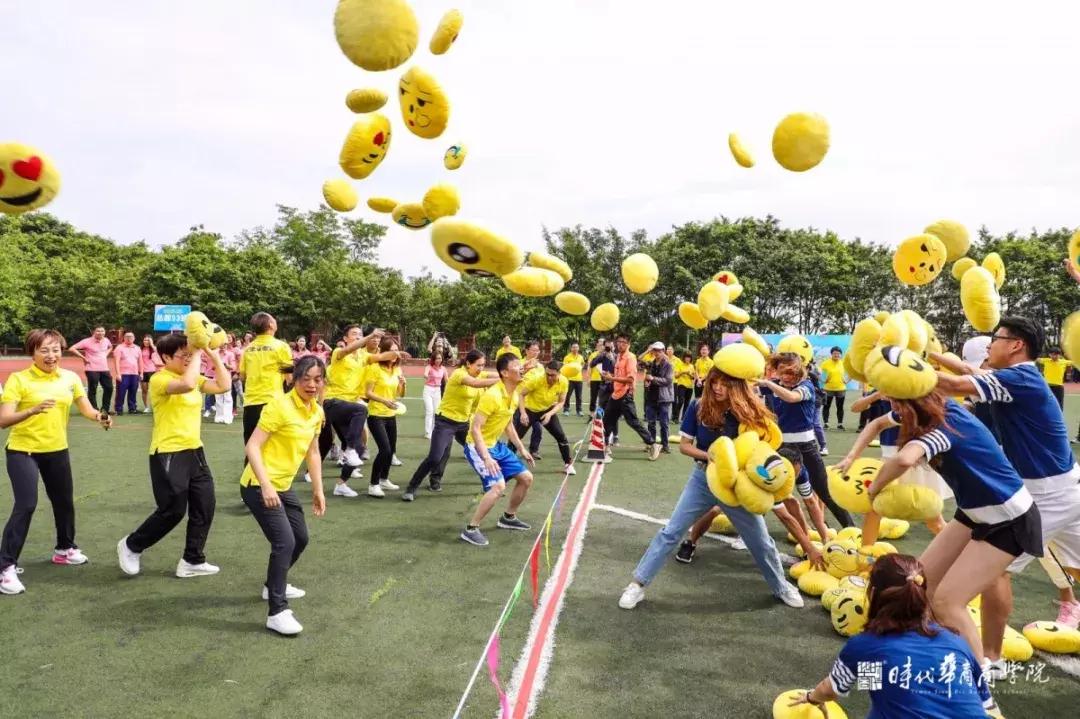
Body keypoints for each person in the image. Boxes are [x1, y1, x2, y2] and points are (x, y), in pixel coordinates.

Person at [931, 316, 1080, 661]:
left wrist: (898, 365)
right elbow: (966, 369)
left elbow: (954, 383)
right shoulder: (1019, 376)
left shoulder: (1020, 378)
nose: (989, 345)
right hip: (1065, 484)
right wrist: (930, 350)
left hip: (1046, 494)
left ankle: (992, 658)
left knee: (996, 569)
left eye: (995, 339)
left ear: (1016, 345)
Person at [866, 383, 1041, 665]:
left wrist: (873, 490)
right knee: (922, 583)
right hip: (974, 511)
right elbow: (876, 423)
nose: (894, 409)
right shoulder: (935, 410)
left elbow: (903, 459)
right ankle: (942, 654)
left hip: (1009, 519)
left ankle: (980, 686)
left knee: (947, 601)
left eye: (897, 403)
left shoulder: (942, 427)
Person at [618, 366, 804, 609]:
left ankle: (781, 586)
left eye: (725, 384)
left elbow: (763, 447)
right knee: (671, 532)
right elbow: (685, 445)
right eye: (714, 382)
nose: (717, 387)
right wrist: (711, 457)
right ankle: (638, 584)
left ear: (736, 386)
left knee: (760, 540)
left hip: (738, 485)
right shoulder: (698, 406)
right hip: (703, 479)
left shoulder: (749, 411)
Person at [791, 554, 995, 719]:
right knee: (881, 690)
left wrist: (811, 698)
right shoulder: (955, 642)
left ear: (873, 594)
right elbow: (984, 703)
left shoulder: (864, 646)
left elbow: (829, 690)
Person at [0, 329, 113, 596]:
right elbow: (4, 420)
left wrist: (101, 417)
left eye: (56, 350)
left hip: (57, 449)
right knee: (26, 504)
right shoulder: (19, 379)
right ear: (33, 352)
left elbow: (86, 408)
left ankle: (64, 549)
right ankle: (5, 567)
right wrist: (32, 410)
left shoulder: (71, 377)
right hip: (23, 450)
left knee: (64, 501)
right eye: (44, 350)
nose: (51, 356)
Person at [117, 335, 232, 580]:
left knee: (205, 505)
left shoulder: (194, 377)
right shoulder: (160, 379)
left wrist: (211, 353)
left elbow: (224, 385)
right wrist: (198, 353)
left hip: (195, 451)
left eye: (190, 355)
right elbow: (188, 386)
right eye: (184, 355)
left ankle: (192, 559)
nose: (190, 359)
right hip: (168, 453)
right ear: (167, 357)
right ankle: (132, 545)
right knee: (172, 511)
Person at [241, 356, 327, 636]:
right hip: (258, 484)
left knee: (300, 539)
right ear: (294, 379)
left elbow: (312, 452)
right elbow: (252, 447)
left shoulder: (316, 411)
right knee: (285, 542)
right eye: (306, 379)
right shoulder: (278, 406)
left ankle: (272, 584)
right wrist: (265, 485)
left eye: (318, 379)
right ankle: (277, 611)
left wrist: (318, 489)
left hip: (284, 485)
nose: (312, 385)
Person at [677, 446, 832, 568]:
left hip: (762, 494)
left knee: (793, 503)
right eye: (788, 475)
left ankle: (805, 547)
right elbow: (784, 516)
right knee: (715, 509)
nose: (791, 479)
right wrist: (811, 548)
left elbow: (811, 503)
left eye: (795, 475)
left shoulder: (800, 473)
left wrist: (822, 538)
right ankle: (691, 542)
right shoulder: (766, 474)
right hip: (742, 485)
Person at [839, 391, 949, 546]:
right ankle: (865, 555)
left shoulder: (923, 411)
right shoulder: (899, 410)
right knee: (873, 511)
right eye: (890, 399)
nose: (892, 404)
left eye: (894, 400)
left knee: (934, 520)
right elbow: (875, 422)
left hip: (916, 465)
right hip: (894, 459)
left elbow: (905, 459)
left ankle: (959, 556)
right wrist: (851, 456)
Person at [757, 353, 854, 527]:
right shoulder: (777, 384)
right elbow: (751, 389)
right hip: (780, 446)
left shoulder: (806, 386)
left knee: (824, 491)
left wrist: (769, 383)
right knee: (768, 486)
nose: (785, 376)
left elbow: (792, 397)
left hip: (805, 448)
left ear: (798, 370)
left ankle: (851, 529)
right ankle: (757, 532)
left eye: (790, 372)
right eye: (781, 371)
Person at [460, 354, 536, 546]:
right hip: (478, 447)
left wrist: (521, 448)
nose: (521, 369)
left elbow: (507, 423)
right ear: (504, 373)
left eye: (520, 365)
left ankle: (508, 517)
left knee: (526, 478)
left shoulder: (515, 391)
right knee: (498, 487)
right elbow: (475, 429)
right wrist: (486, 457)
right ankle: (471, 529)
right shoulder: (492, 396)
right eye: (516, 366)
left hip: (496, 446)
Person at [404, 350, 500, 501]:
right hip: (446, 422)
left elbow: (494, 375)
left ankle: (492, 485)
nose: (482, 368)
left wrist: (511, 373)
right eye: (478, 365)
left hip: (464, 424)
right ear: (468, 363)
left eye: (483, 365)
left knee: (481, 451)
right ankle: (411, 487)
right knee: (436, 456)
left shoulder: (479, 374)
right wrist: (502, 379)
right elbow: (475, 384)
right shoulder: (459, 374)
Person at [602, 334, 661, 461]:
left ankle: (653, 444)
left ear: (629, 344)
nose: (620, 344)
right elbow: (619, 374)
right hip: (615, 394)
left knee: (633, 422)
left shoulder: (630, 358)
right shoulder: (619, 356)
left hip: (625, 395)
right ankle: (605, 445)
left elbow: (629, 379)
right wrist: (610, 374)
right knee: (607, 421)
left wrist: (611, 378)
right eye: (618, 342)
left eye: (623, 342)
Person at [239, 312, 293, 446]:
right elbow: (290, 377)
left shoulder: (248, 349)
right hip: (273, 401)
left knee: (252, 445)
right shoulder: (281, 346)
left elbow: (242, 376)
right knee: (273, 446)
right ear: (270, 325)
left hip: (251, 402)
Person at [363, 337, 407, 498]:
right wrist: (384, 401)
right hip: (376, 414)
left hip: (391, 414)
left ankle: (383, 479)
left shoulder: (396, 370)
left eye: (397, 350)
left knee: (391, 450)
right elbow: (368, 393)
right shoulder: (374, 368)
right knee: (385, 450)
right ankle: (373, 485)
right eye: (391, 350)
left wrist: (403, 384)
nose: (395, 354)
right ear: (384, 352)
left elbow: (400, 394)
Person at [514, 360, 575, 474]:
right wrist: (523, 413)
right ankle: (505, 465)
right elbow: (521, 394)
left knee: (561, 436)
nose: (549, 377)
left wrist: (550, 414)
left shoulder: (564, 382)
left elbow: (561, 402)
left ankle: (568, 464)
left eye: (552, 375)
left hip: (547, 410)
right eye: (547, 374)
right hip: (529, 410)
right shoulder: (537, 380)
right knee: (515, 438)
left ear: (559, 374)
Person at [70, 326, 114, 413]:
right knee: (93, 389)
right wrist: (83, 357)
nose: (100, 333)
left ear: (104, 332)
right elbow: (72, 348)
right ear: (94, 332)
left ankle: (105, 409)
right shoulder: (86, 341)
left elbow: (110, 347)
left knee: (109, 388)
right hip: (91, 369)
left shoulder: (106, 340)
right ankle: (93, 409)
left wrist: (106, 354)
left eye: (102, 331)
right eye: (98, 331)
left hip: (104, 368)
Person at [643, 341, 674, 454]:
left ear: (663, 351)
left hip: (664, 398)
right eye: (655, 350)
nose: (657, 353)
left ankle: (665, 445)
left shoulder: (668, 365)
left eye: (659, 351)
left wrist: (652, 379)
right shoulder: (651, 363)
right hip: (652, 397)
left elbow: (668, 380)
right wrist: (648, 382)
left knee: (664, 424)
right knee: (651, 423)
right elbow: (639, 362)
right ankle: (652, 444)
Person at [110, 331, 143, 415]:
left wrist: (141, 373)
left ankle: (132, 408)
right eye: (127, 337)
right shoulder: (119, 348)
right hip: (123, 374)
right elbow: (116, 361)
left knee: (133, 392)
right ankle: (118, 409)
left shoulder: (137, 348)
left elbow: (140, 361)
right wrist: (118, 374)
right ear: (124, 338)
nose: (129, 338)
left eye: (131, 337)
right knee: (121, 392)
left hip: (134, 374)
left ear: (134, 338)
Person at [820, 346, 847, 430]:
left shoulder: (843, 363)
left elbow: (851, 373)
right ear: (831, 354)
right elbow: (818, 373)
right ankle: (826, 423)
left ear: (841, 355)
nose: (836, 355)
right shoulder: (825, 363)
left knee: (840, 407)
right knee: (826, 406)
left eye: (838, 353)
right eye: (835, 353)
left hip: (841, 389)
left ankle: (840, 424)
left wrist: (846, 380)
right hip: (828, 389)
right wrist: (823, 380)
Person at [422, 352, 448, 439]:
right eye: (436, 358)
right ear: (433, 359)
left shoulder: (443, 369)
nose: (438, 360)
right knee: (429, 410)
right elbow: (425, 374)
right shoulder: (429, 367)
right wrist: (427, 376)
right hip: (428, 389)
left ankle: (434, 431)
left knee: (436, 412)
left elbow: (447, 380)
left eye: (440, 358)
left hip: (437, 391)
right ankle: (427, 432)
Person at [1037, 346, 1069, 410]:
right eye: (1052, 354)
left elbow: (1076, 362)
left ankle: (1059, 418)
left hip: (1058, 387)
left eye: (1056, 354)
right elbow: (1034, 359)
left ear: (1060, 355)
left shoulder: (1064, 362)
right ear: (1049, 354)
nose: (1054, 356)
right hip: (1047, 386)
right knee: (1045, 403)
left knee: (1059, 404)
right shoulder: (1045, 360)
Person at [214, 340, 237, 425]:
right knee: (218, 397)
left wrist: (227, 366)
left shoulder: (230, 354)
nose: (222, 346)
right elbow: (212, 366)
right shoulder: (216, 354)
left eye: (224, 345)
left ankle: (228, 417)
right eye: (221, 344)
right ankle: (219, 416)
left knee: (227, 397)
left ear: (226, 345)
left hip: (227, 377)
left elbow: (234, 367)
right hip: (217, 377)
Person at [561, 342, 585, 417]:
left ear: (578, 348)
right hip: (569, 379)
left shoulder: (580, 357)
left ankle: (579, 410)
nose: (575, 349)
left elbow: (583, 364)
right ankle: (566, 410)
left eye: (576, 347)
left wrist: (580, 368)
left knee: (579, 396)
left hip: (579, 379)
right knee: (567, 395)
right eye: (573, 347)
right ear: (571, 348)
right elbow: (564, 367)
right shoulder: (567, 357)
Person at [672, 349, 695, 424]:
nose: (687, 359)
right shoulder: (680, 365)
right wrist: (683, 372)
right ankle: (675, 417)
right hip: (681, 385)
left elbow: (693, 377)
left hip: (690, 386)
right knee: (681, 401)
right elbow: (676, 376)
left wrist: (689, 374)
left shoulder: (692, 366)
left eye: (689, 357)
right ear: (684, 358)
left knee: (687, 403)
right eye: (686, 357)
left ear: (691, 358)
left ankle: (683, 418)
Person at [139, 334, 161, 414]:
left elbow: (158, 352)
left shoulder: (154, 349)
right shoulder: (140, 349)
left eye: (148, 340)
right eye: (145, 340)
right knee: (144, 390)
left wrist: (152, 344)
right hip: (143, 371)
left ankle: (155, 406)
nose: (146, 342)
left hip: (153, 371)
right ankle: (146, 407)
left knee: (154, 390)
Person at [586, 338, 605, 417]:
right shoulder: (593, 355)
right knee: (593, 397)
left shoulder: (608, 354)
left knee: (603, 397)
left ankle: (602, 413)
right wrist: (589, 378)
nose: (600, 346)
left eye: (602, 344)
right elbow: (589, 367)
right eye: (599, 344)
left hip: (604, 379)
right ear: (597, 345)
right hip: (594, 379)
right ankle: (591, 413)